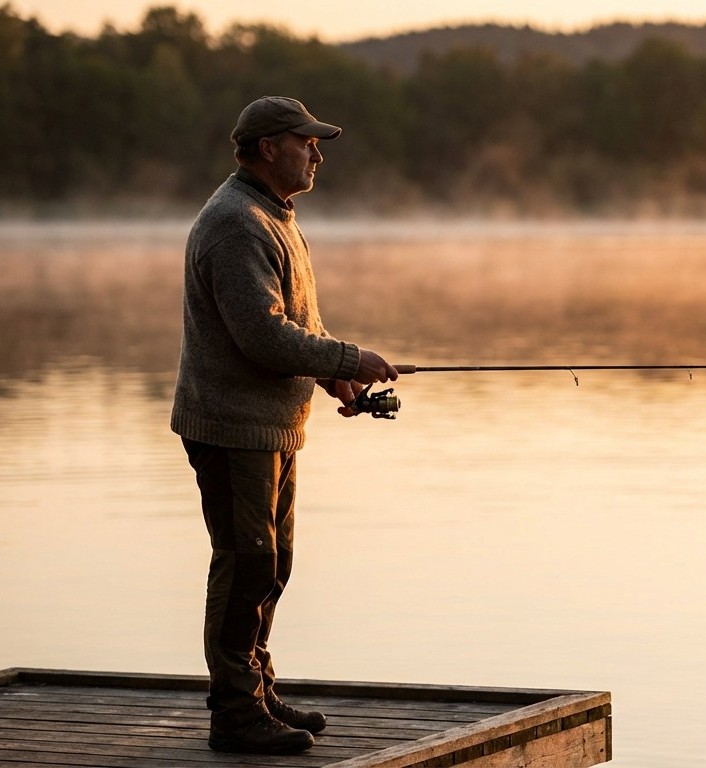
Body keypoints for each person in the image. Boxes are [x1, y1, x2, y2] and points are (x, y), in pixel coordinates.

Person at [170, 95, 398, 755]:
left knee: (273, 564)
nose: (317, 153)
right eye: (307, 142)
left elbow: (292, 326)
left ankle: (258, 691)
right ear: (269, 147)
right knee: (246, 565)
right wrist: (351, 357)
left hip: (269, 425)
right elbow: (262, 338)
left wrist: (334, 377)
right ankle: (235, 715)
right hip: (232, 426)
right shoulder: (238, 222)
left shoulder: (274, 215)